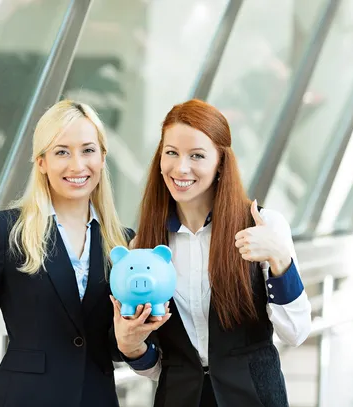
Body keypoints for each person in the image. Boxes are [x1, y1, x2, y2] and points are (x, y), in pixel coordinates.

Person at [0, 100, 139, 406]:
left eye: (87, 150)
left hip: (95, 397)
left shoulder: (121, 243)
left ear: (102, 157)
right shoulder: (7, 230)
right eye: (61, 152)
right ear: (41, 161)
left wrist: (133, 328)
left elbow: (113, 347)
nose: (77, 165)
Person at [111, 99, 312, 407]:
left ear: (221, 161)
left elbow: (295, 333)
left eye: (197, 156)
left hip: (254, 398)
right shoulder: (147, 246)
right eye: (171, 153)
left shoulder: (264, 227)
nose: (181, 168)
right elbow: (156, 367)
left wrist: (279, 259)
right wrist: (130, 343)